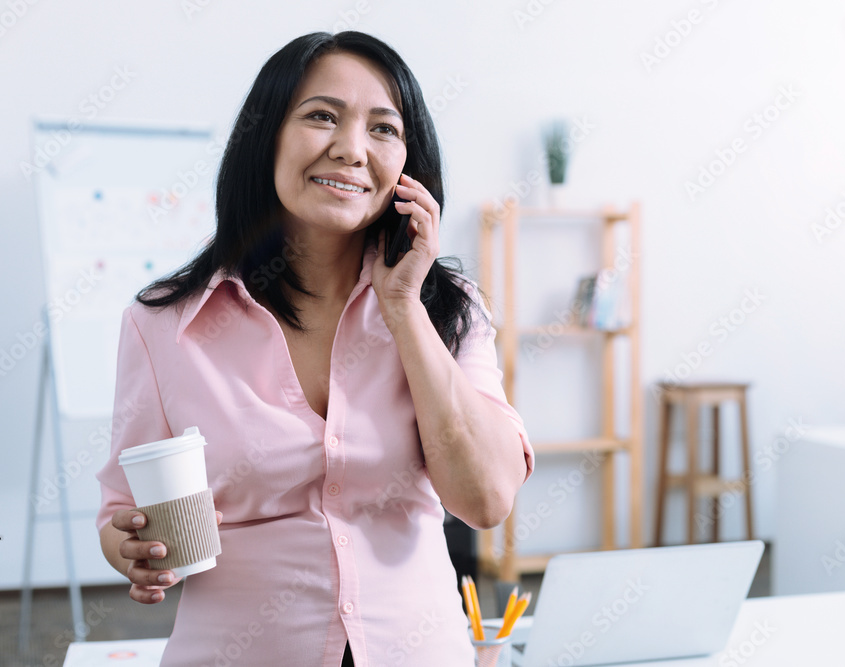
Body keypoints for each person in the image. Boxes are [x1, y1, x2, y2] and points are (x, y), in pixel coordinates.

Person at [94, 31, 534, 667]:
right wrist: (129, 547)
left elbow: (487, 500)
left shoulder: (448, 307)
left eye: (383, 128)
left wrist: (404, 308)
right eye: (322, 116)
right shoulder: (165, 322)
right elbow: (123, 511)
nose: (352, 149)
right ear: (265, 137)